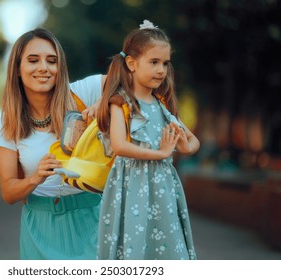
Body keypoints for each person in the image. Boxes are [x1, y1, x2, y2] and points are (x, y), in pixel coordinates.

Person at [0, 28, 104, 260]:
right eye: (33, 60)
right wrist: (35, 178)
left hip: (92, 220)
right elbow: (8, 192)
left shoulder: (82, 93)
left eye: (52, 61)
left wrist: (103, 102)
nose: (44, 67)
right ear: (18, 70)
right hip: (40, 225)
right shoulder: (9, 122)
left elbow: (131, 79)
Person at [96, 20, 200, 260]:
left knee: (167, 245)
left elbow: (194, 141)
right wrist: (161, 154)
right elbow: (120, 146)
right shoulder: (120, 102)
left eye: (165, 63)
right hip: (131, 186)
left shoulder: (162, 105)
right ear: (131, 63)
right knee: (134, 245)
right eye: (154, 62)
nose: (161, 70)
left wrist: (186, 146)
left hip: (162, 189)